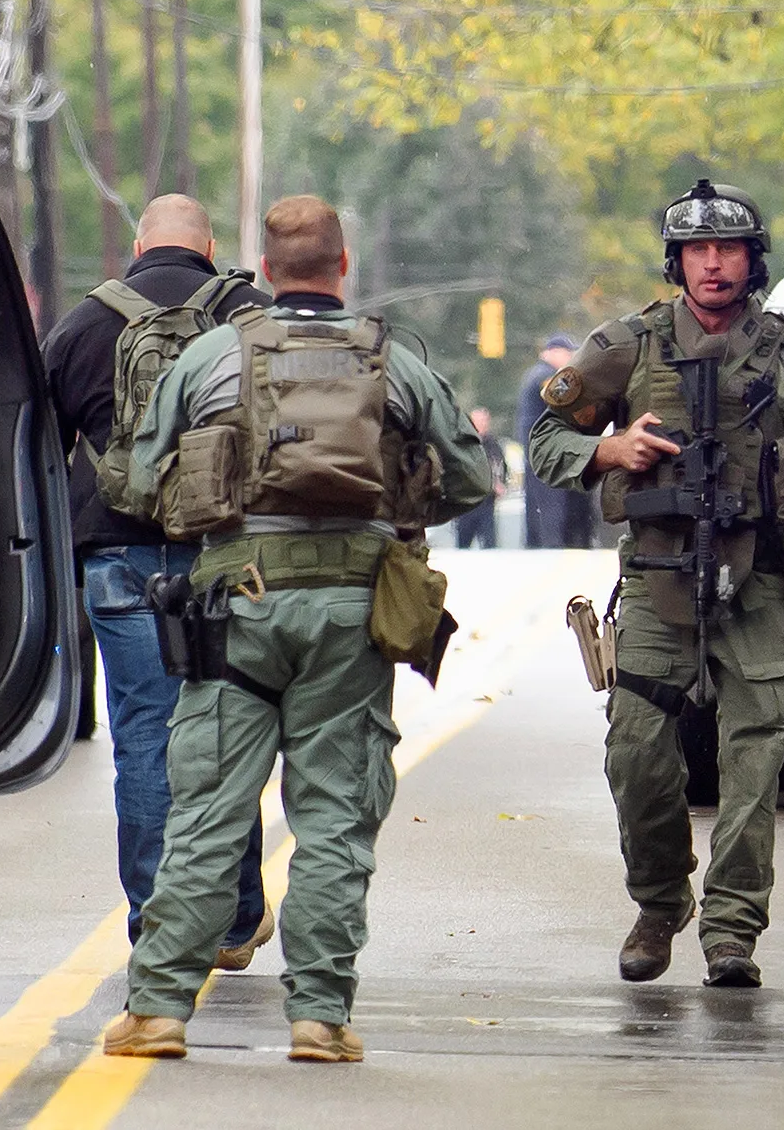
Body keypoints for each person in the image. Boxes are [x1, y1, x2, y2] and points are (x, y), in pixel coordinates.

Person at [102, 195, 492, 1063]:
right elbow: (469, 480)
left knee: (208, 814)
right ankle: (319, 1016)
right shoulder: (392, 361)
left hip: (234, 611)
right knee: (335, 822)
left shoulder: (212, 355)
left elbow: (137, 482)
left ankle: (158, 1009)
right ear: (342, 265)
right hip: (353, 616)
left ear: (267, 269)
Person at [529, 179, 784, 988]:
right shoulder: (628, 346)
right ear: (677, 262)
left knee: (754, 764)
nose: (713, 264)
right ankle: (661, 902)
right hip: (657, 579)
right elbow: (547, 438)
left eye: (728, 249)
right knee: (636, 755)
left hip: (762, 581)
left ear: (751, 260)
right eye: (697, 250)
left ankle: (732, 931)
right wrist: (607, 450)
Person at [40, 195, 274, 968]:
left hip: (118, 557)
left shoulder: (82, 325)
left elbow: (38, 452)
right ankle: (235, 920)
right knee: (226, 733)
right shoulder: (250, 316)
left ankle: (158, 922)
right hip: (229, 556)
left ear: (139, 248)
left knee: (144, 734)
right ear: (209, 246)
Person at [519, 335, 597, 548]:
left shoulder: (536, 374)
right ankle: (552, 551)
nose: (571, 358)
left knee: (540, 512)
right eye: (568, 353)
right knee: (552, 512)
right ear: (553, 352)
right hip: (547, 454)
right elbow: (564, 396)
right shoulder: (544, 376)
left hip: (538, 454)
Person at [452, 407, 507, 549]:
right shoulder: (463, 444)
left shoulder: (493, 445)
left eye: (485, 421)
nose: (483, 424)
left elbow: (501, 467)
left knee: (490, 545)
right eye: (479, 421)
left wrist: (500, 484)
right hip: (467, 503)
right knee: (462, 546)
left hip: (486, 503)